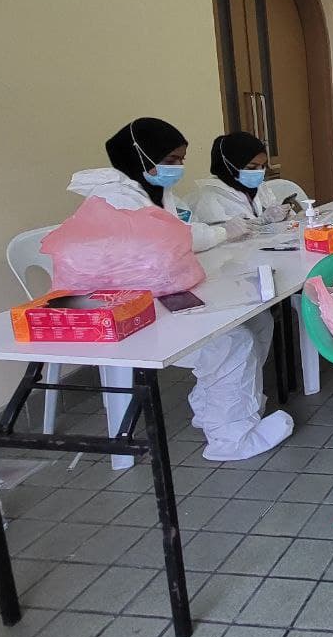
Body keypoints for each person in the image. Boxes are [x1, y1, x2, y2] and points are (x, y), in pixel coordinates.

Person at [68, 117, 294, 461]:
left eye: (180, 160)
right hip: (129, 310)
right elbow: (172, 239)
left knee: (259, 322)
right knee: (232, 342)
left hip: (158, 294)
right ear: (138, 154)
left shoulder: (155, 193)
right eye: (171, 160)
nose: (177, 168)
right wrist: (219, 233)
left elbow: (177, 235)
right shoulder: (116, 199)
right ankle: (231, 439)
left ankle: (214, 411)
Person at [192, 131, 307, 225]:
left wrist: (289, 216)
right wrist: (263, 221)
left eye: (263, 166)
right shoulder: (208, 198)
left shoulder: (256, 185)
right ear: (228, 166)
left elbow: (271, 207)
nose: (259, 172)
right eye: (251, 168)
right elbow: (223, 236)